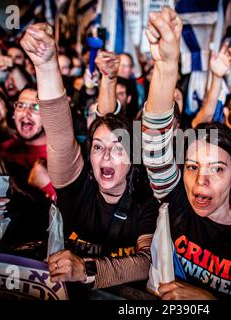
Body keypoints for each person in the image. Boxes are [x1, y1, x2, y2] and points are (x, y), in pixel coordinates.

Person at [141, 7, 231, 300]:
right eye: (192, 167)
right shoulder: (178, 202)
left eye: (217, 169)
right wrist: (166, 64)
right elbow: (153, 142)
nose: (200, 181)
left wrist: (207, 300)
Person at [20, 22, 159, 293]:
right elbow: (59, 134)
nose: (106, 154)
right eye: (98, 147)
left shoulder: (145, 197)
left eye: (118, 148)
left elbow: (146, 262)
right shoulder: (77, 184)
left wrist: (86, 269)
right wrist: (46, 65)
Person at [0, 87, 56, 202]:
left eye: (36, 107)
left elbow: (79, 211)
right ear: (13, 114)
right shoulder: (0, 152)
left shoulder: (64, 153)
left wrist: (47, 185)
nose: (26, 113)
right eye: (20, 106)